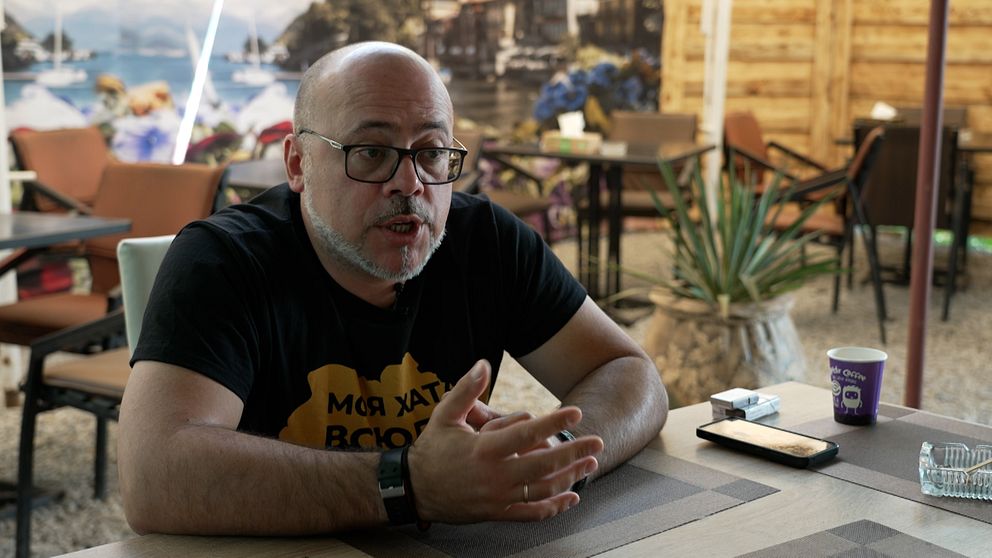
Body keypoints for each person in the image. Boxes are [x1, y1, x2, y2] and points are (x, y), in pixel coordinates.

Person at [118, 41, 668, 535]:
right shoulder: (222, 261)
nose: (410, 184)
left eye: (431, 152)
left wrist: (558, 455)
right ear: (298, 163)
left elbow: (630, 372)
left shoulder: (488, 242)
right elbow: (154, 475)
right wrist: (408, 485)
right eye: (371, 152)